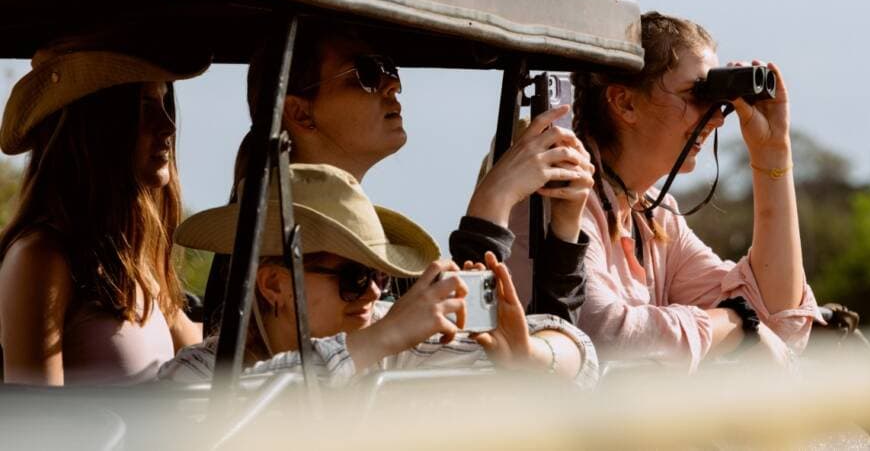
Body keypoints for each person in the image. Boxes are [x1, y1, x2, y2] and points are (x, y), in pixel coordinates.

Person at [203, 21, 594, 329]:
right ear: (301, 113)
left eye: (390, 69)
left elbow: (499, 356)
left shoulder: (380, 251)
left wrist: (564, 226)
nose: (393, 84)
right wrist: (493, 203)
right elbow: (471, 345)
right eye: (367, 72)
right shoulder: (259, 249)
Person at [161, 164, 597, 387]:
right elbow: (219, 416)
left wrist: (528, 356)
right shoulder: (201, 372)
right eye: (353, 276)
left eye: (379, 275)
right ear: (274, 285)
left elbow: (579, 352)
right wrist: (382, 339)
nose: (372, 292)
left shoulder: (391, 337)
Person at [555, 11, 821, 371]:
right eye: (697, 94)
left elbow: (779, 321)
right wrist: (732, 323)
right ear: (625, 103)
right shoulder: (563, 197)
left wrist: (772, 151)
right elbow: (602, 334)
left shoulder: (655, 216)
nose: (714, 118)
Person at [0, 37, 209, 385]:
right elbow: (37, 428)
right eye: (144, 107)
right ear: (96, 125)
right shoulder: (41, 258)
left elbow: (214, 355)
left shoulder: (133, 264)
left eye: (163, 103)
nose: (168, 127)